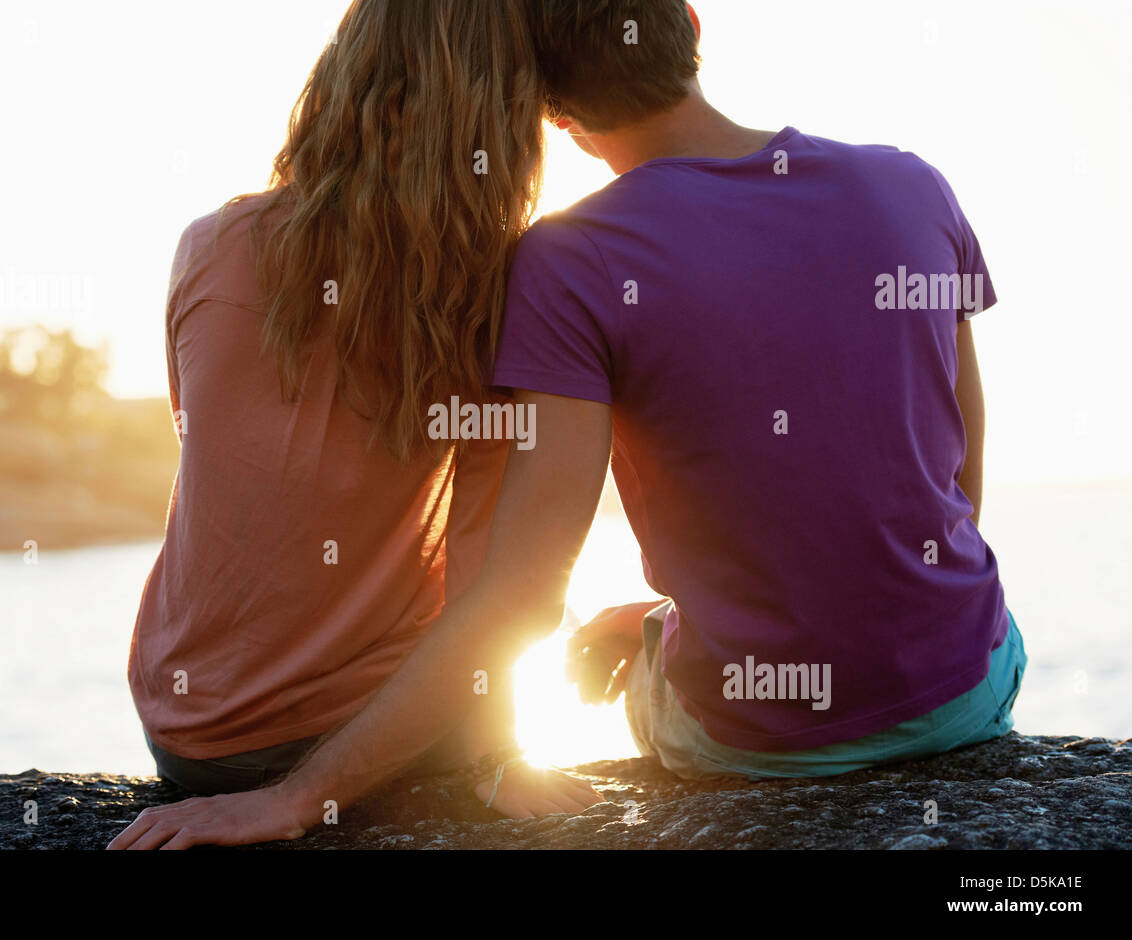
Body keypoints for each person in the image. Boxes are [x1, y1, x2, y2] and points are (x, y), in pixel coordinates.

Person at [110, 0, 1023, 849]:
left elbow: (502, 582)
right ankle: (657, 627)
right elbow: (959, 481)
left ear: (554, 111)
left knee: (633, 644)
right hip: (962, 686)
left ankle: (657, 628)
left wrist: (290, 792)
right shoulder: (912, 184)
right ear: (692, 23)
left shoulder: (222, 247)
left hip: (199, 736)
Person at [116, 0, 601, 843]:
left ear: (340, 80)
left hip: (188, 736)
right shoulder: (496, 295)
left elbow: (220, 458)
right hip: (361, 737)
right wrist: (497, 753)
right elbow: (494, 579)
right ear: (508, 122)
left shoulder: (208, 245)